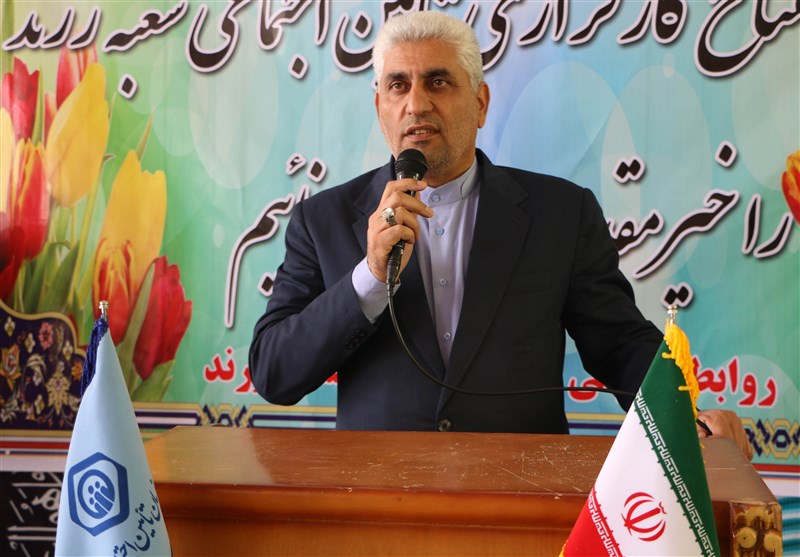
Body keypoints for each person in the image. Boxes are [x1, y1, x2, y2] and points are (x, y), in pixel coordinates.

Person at [249, 11, 752, 458]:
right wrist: (370, 278)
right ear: (380, 105)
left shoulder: (561, 213)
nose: (416, 104)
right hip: (379, 501)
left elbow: (619, 343)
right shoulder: (323, 219)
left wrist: (683, 417)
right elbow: (274, 372)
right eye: (398, 85)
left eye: (438, 82)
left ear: (481, 103)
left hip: (522, 496)